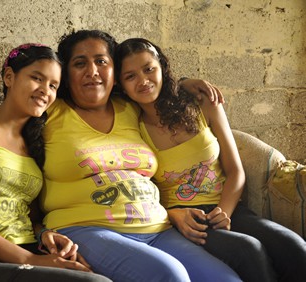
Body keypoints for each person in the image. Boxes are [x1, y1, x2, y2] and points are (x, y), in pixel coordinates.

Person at [0, 30, 238, 282]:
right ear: (67, 74)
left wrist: (189, 82)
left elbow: (156, 81)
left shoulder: (130, 106)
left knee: (225, 277)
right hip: (87, 228)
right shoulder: (51, 110)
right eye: (80, 63)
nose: (93, 71)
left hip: (157, 226)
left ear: (115, 72)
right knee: (171, 277)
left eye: (102, 61)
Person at [114, 37, 306, 282]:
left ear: (162, 66)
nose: (143, 81)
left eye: (149, 69)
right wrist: (174, 214)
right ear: (121, 83)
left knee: (293, 246)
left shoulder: (203, 103)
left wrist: (223, 212)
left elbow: (235, 170)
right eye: (130, 76)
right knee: (248, 250)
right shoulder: (130, 125)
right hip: (185, 221)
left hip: (228, 207)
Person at [0, 43, 111, 282]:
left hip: (26, 249)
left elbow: (24, 214)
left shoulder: (35, 141)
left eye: (53, 86)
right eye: (37, 78)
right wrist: (30, 260)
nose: (45, 91)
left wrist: (43, 234)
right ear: (9, 77)